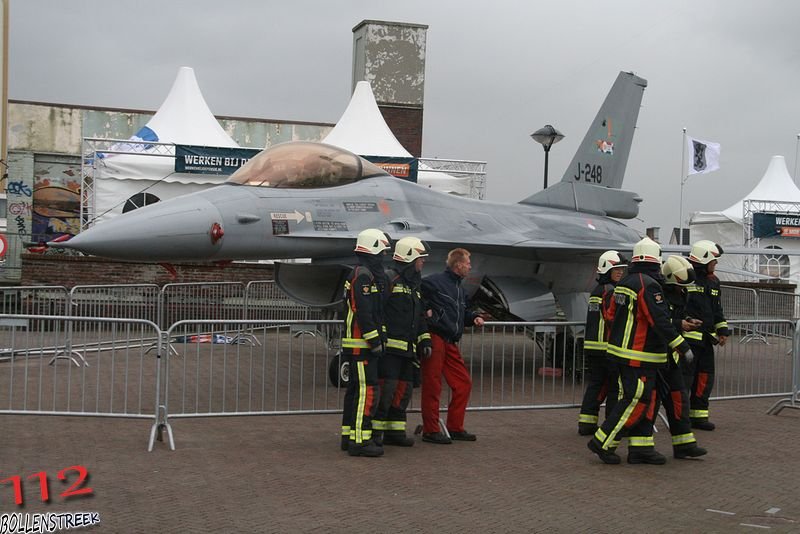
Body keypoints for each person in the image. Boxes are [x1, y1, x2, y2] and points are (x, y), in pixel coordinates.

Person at [587, 237, 693, 465]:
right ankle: (602, 441)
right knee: (634, 400)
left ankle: (641, 448)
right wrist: (681, 345)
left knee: (646, 401)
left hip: (623, 354)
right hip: (639, 356)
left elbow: (610, 315)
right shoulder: (649, 285)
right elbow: (659, 319)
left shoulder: (625, 283)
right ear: (657, 260)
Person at [420, 248, 485, 444]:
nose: (470, 266)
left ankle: (455, 427)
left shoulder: (459, 289)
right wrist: (426, 312)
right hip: (437, 338)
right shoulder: (434, 282)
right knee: (433, 385)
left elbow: (464, 312)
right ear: (458, 265)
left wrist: (474, 317)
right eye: (467, 263)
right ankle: (431, 430)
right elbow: (417, 297)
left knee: (463, 383)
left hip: (449, 341)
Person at [372, 237, 432, 447]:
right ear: (410, 257)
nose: (422, 263)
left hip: (408, 350)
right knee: (386, 391)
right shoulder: (390, 280)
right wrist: (381, 338)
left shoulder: (414, 285)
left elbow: (420, 316)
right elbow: (377, 312)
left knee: (403, 391)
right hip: (390, 351)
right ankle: (375, 434)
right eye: (420, 259)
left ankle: (395, 432)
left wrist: (425, 340)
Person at [340, 228, 390, 457]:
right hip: (362, 345)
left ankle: (349, 435)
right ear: (374, 250)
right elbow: (365, 312)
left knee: (355, 392)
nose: (384, 257)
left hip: (358, 344)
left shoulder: (360, 272)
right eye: (382, 252)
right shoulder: (363, 276)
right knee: (367, 392)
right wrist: (375, 340)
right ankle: (360, 441)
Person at [657, 255, 707, 459]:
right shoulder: (658, 294)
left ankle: (684, 444)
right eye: (681, 284)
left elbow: (674, 317)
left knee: (679, 400)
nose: (684, 288)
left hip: (672, 358)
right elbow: (659, 321)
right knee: (649, 404)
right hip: (656, 357)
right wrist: (680, 325)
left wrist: (686, 320)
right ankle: (639, 447)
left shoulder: (679, 293)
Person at [578, 250, 627, 436]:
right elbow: (612, 318)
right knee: (614, 386)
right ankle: (610, 426)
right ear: (606, 269)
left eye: (622, 269)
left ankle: (587, 422)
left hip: (593, 346)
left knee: (596, 385)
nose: (620, 272)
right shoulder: (610, 291)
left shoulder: (598, 290)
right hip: (606, 347)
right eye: (617, 269)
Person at [684, 240, 730, 431]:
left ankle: (699, 416)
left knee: (705, 378)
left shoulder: (713, 282)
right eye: (714, 260)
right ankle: (680, 417)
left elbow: (717, 310)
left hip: (706, 341)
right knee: (685, 380)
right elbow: (678, 307)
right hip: (688, 340)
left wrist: (722, 330)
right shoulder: (685, 277)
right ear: (704, 260)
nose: (716, 264)